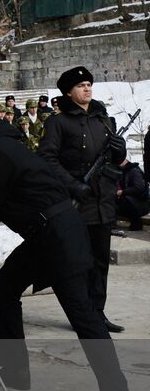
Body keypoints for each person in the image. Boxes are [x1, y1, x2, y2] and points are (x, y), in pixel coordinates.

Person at [0, 98, 140, 391]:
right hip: (42, 235)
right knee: (4, 288)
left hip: (59, 238)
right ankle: (15, 371)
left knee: (84, 317)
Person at [38, 66, 127, 332]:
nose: (87, 89)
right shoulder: (57, 122)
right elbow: (47, 159)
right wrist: (73, 185)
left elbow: (116, 161)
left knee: (101, 262)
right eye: (81, 86)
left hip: (103, 201)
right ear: (68, 91)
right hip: (76, 202)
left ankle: (98, 314)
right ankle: (84, 316)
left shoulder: (103, 119)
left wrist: (119, 153)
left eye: (89, 84)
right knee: (79, 263)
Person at [115, 158, 149, 232]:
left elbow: (139, 188)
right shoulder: (121, 171)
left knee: (125, 202)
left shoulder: (134, 170)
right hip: (132, 200)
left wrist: (122, 192)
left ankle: (137, 223)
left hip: (141, 203)